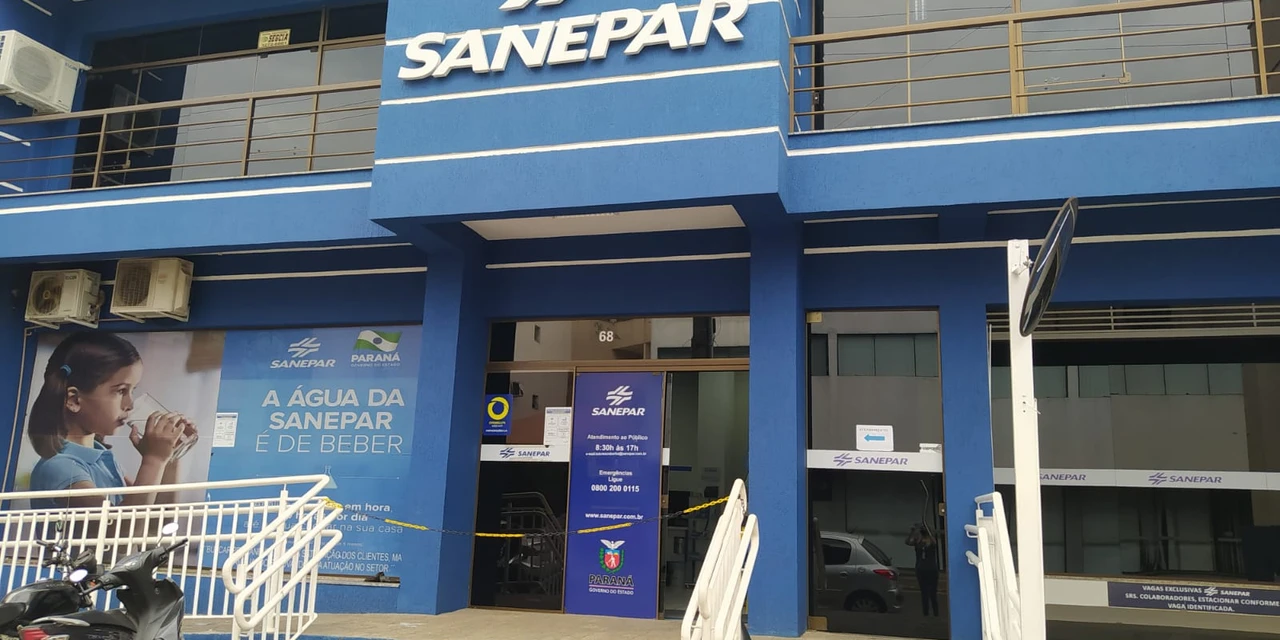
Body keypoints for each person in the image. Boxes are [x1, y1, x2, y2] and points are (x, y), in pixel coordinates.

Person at [27, 332, 196, 510]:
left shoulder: (103, 459)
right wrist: (153, 460)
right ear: (74, 400)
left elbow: (155, 518)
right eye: (121, 391)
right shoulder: (59, 466)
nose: (130, 404)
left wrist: (169, 456)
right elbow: (121, 525)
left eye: (132, 391)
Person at [906, 523, 941, 617]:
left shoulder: (926, 543)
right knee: (929, 593)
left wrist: (915, 531)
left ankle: (930, 613)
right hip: (927, 569)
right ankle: (932, 613)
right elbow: (908, 542)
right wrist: (914, 532)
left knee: (927, 593)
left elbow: (909, 541)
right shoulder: (923, 542)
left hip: (924, 569)